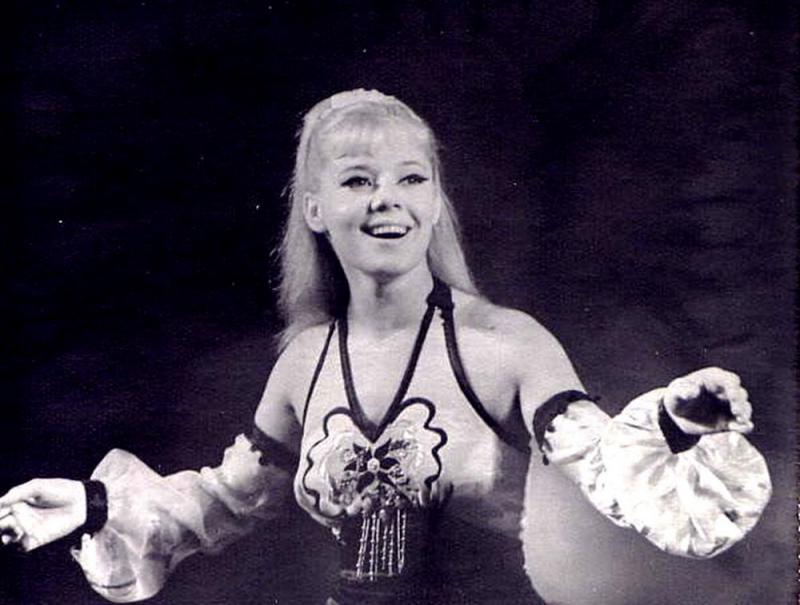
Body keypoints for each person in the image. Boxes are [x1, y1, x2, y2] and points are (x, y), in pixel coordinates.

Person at [0, 89, 772, 604]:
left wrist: (673, 421)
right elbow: (224, 501)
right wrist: (92, 504)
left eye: (410, 178)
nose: (387, 201)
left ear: (435, 203)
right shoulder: (304, 362)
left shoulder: (504, 342)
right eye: (358, 179)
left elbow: (605, 464)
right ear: (314, 208)